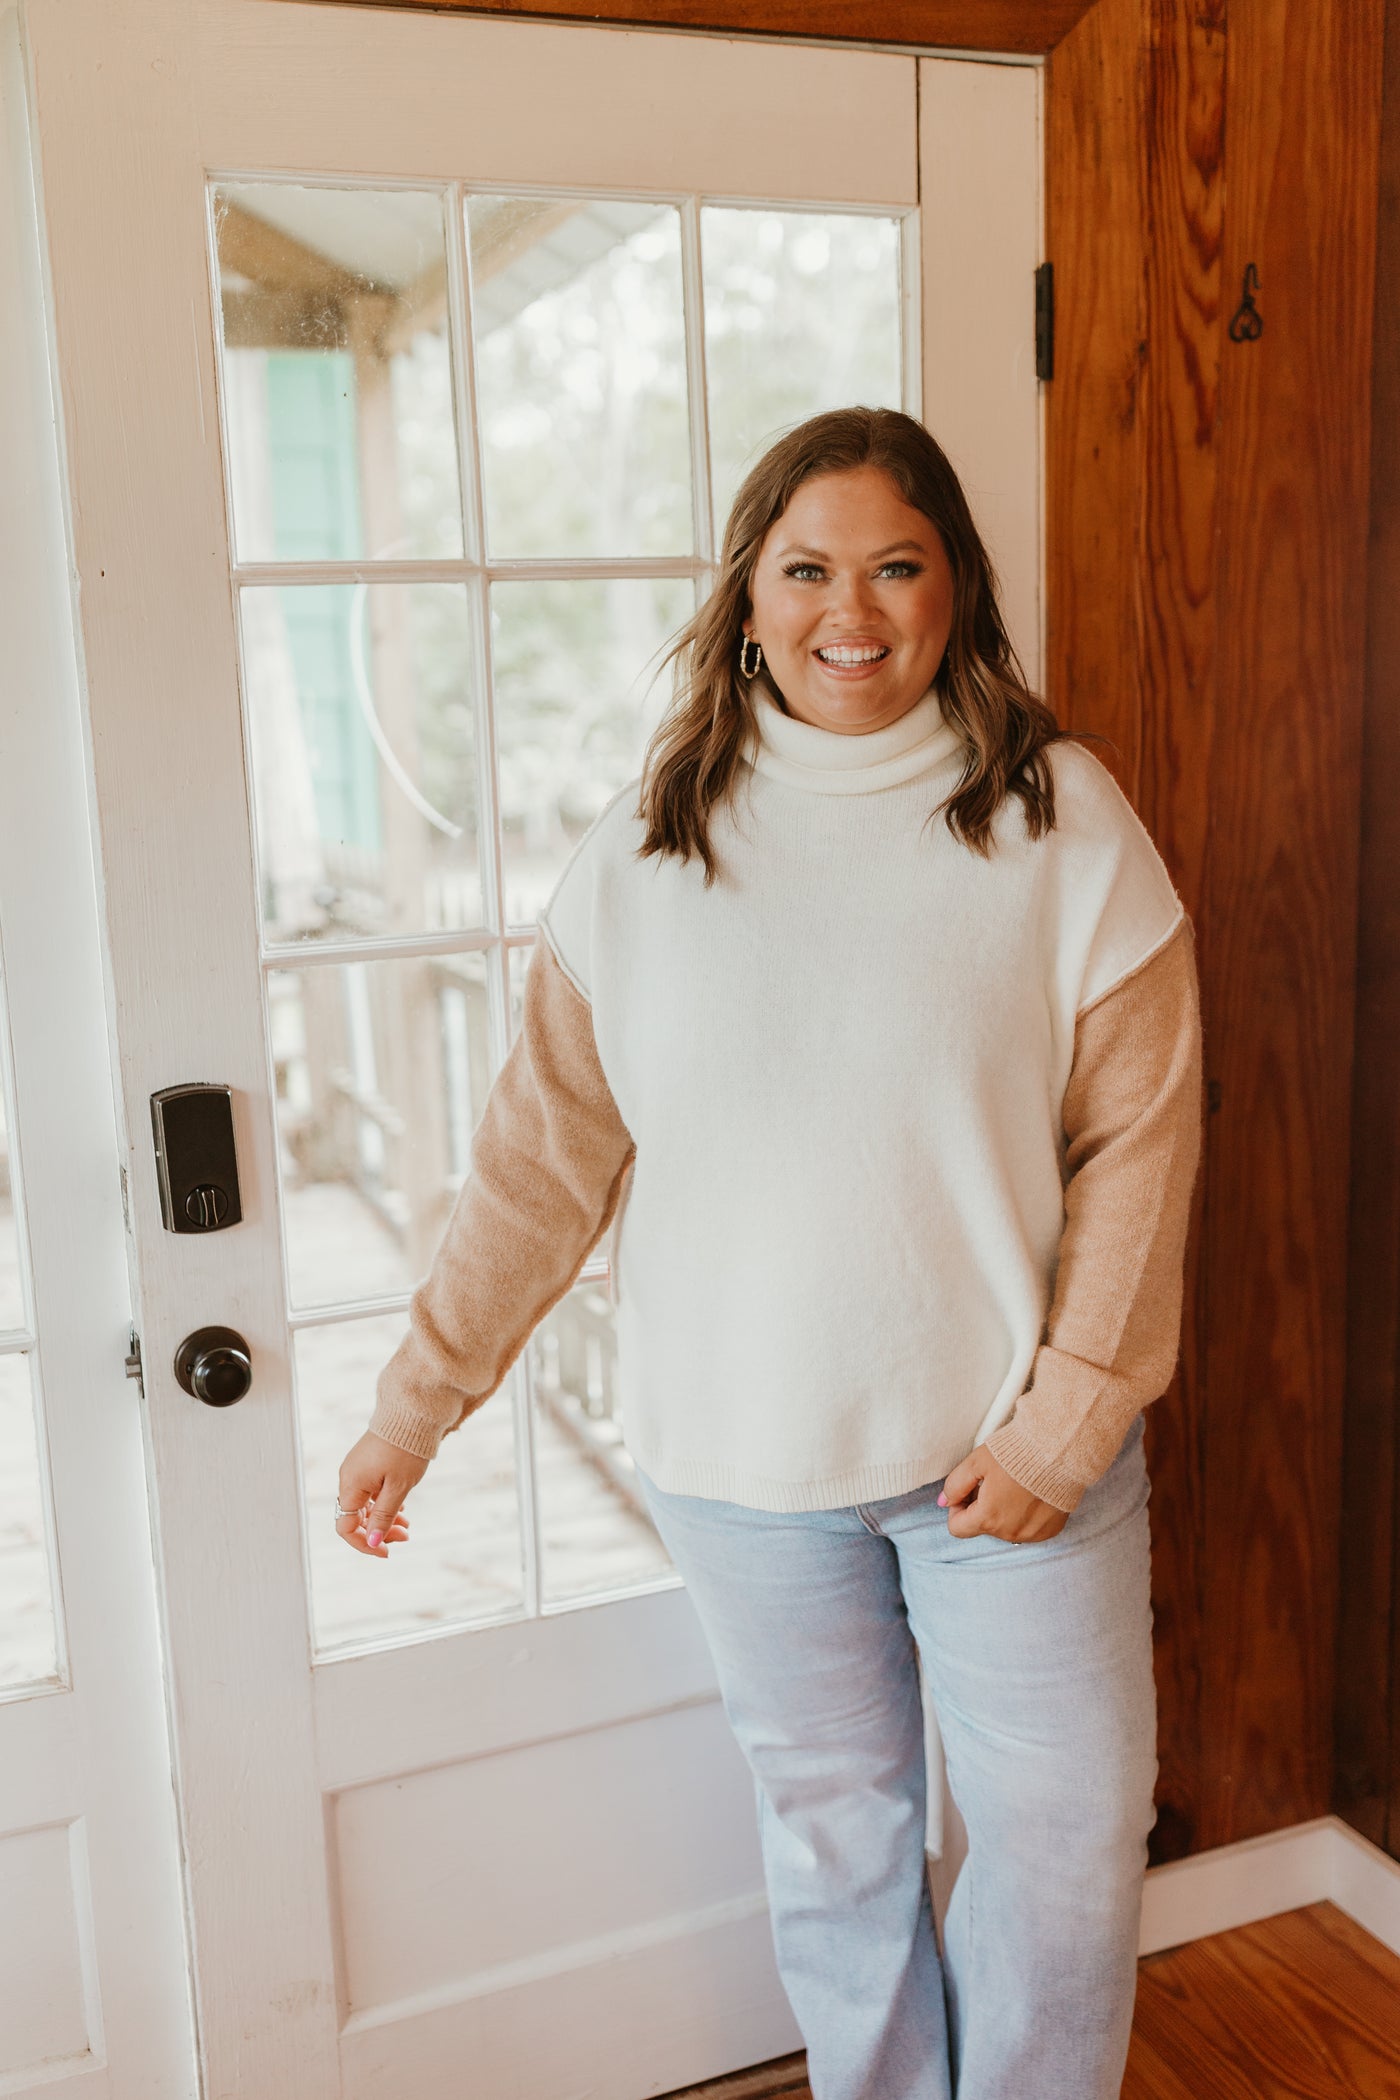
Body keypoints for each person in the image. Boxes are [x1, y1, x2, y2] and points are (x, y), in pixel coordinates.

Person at [334, 406, 1204, 2100]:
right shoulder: (651, 853)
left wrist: (1069, 1421)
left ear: (958, 589)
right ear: (749, 597)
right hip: (747, 1481)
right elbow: (537, 1167)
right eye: (807, 569)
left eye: (897, 564)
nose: (850, 611)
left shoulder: (1062, 823)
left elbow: (1144, 1147)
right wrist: (413, 1403)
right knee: (839, 1867)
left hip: (1014, 1470)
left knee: (1073, 1855)